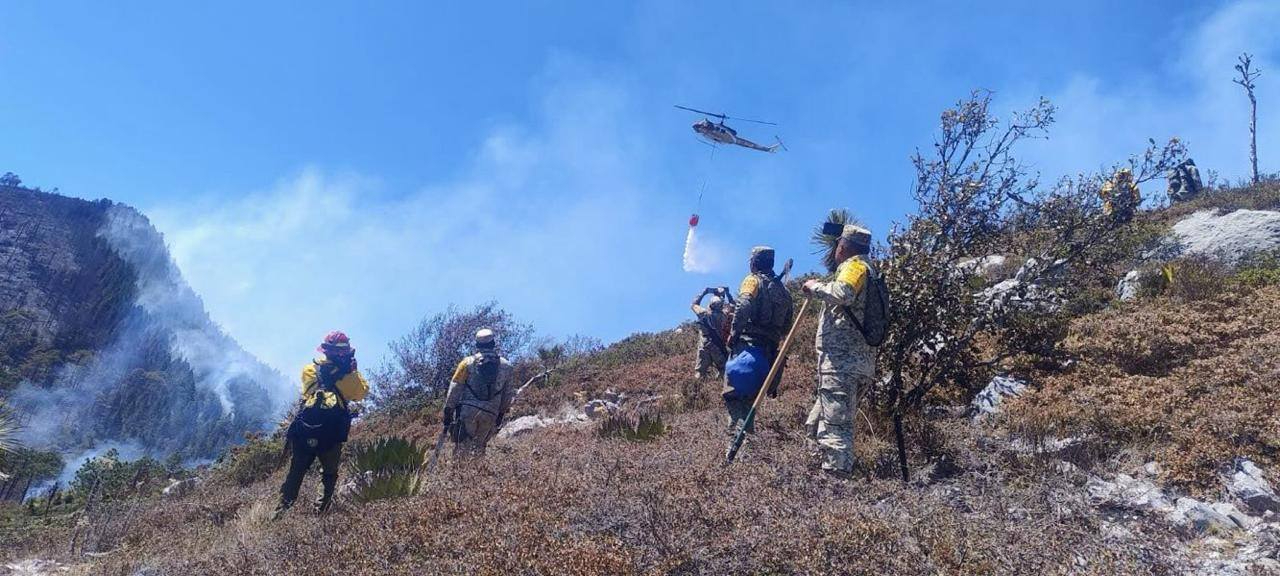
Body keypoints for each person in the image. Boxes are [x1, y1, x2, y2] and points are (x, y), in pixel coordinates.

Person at [801, 225, 880, 478]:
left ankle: (836, 487)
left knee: (835, 430)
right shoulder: (869, 270)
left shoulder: (855, 266)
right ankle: (813, 483)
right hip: (853, 364)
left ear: (842, 247)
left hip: (843, 365)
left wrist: (815, 287)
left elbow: (843, 292)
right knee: (814, 425)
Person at [276, 331, 368, 516]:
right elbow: (361, 393)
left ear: (325, 351)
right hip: (332, 433)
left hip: (305, 430)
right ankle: (320, 513)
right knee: (328, 474)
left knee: (296, 473)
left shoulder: (309, 370)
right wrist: (352, 371)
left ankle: (280, 513)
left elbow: (307, 391)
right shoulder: (349, 377)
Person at [722, 246, 793, 435]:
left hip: (747, 351)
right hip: (769, 357)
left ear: (754, 263)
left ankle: (736, 451)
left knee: (735, 401)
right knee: (752, 403)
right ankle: (749, 446)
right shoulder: (784, 292)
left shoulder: (752, 281)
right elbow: (787, 327)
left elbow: (743, 305)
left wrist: (734, 333)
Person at [443, 328, 516, 458]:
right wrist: (501, 414)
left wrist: (448, 410)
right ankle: (477, 475)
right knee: (479, 448)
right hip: (491, 413)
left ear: (477, 345)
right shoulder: (507, 366)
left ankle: (459, 476)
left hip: (468, 412)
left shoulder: (466, 363)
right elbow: (508, 394)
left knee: (461, 450)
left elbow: (455, 387)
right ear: (493, 344)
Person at [691, 286, 734, 380]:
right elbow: (732, 305)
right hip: (717, 346)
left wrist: (704, 292)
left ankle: (696, 390)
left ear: (710, 305)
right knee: (723, 370)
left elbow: (694, 304)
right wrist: (727, 293)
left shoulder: (703, 313)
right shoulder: (724, 315)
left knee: (699, 373)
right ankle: (718, 386)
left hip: (704, 345)